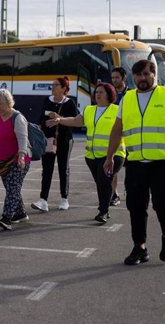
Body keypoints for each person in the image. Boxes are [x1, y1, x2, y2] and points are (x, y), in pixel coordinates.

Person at [104, 60, 165, 265]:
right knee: (135, 206)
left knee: (162, 206)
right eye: (138, 75)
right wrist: (109, 156)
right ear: (133, 77)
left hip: (162, 163)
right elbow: (117, 129)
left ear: (154, 75)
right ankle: (139, 247)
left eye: (146, 74)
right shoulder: (128, 98)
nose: (142, 78)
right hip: (136, 163)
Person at [47, 82, 125, 224]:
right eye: (97, 92)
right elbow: (76, 121)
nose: (98, 94)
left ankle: (103, 212)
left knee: (104, 181)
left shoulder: (117, 110)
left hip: (113, 155)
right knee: (100, 183)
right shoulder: (89, 109)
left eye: (101, 92)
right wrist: (60, 120)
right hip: (92, 156)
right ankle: (105, 207)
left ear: (110, 94)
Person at [0, 90, 31, 230]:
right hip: (3, 162)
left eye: (0, 103)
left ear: (9, 102)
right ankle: (20, 214)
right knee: (12, 189)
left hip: (18, 161)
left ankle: (6, 218)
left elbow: (23, 139)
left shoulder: (17, 118)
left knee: (13, 189)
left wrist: (21, 156)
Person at [31, 76, 78, 212]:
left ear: (64, 88)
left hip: (64, 140)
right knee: (47, 169)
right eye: (52, 85)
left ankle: (64, 198)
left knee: (63, 168)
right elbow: (41, 118)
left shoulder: (70, 103)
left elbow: (75, 121)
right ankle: (43, 200)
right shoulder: (47, 100)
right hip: (49, 140)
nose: (52, 87)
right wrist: (45, 123)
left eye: (56, 85)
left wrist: (59, 119)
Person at [109, 66, 129, 207]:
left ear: (124, 78)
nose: (114, 80)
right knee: (114, 166)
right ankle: (114, 194)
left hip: (129, 136)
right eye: (113, 78)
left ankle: (130, 190)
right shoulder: (110, 95)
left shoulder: (131, 94)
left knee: (131, 166)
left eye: (117, 77)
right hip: (115, 136)